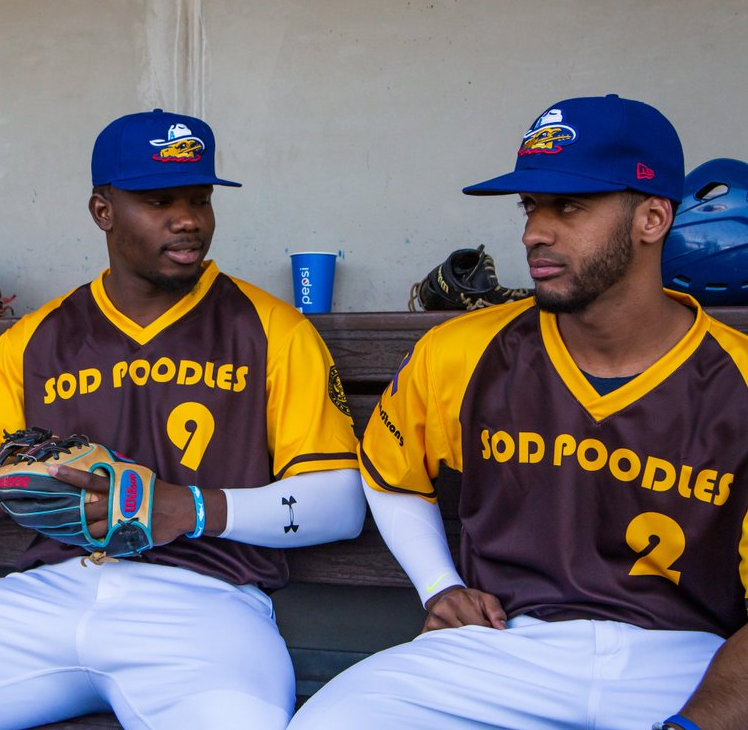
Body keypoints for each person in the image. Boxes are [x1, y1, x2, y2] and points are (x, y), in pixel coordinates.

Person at [0, 109, 367, 730]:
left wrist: (188, 508)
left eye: (200, 199)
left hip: (207, 602)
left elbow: (338, 504)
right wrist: (28, 474)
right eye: (159, 200)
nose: (189, 220)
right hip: (49, 593)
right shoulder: (37, 338)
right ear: (103, 210)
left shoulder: (271, 328)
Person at [289, 95, 748, 730]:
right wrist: (438, 586)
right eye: (531, 206)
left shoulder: (737, 380)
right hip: (506, 647)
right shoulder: (465, 349)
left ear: (652, 217)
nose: (535, 231)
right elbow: (391, 471)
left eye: (570, 206)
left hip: (690, 656)